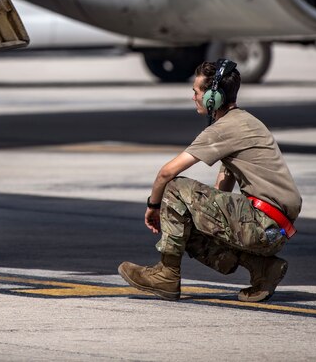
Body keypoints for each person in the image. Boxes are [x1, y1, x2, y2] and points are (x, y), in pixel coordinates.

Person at [118, 59, 301, 302]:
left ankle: (166, 274)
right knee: (186, 217)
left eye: (196, 91)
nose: (193, 96)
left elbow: (166, 173)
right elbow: (224, 181)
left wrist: (154, 206)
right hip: (272, 229)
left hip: (260, 223)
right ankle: (262, 269)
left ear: (212, 97)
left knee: (174, 188)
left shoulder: (224, 129)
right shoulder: (247, 122)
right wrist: (197, 217)